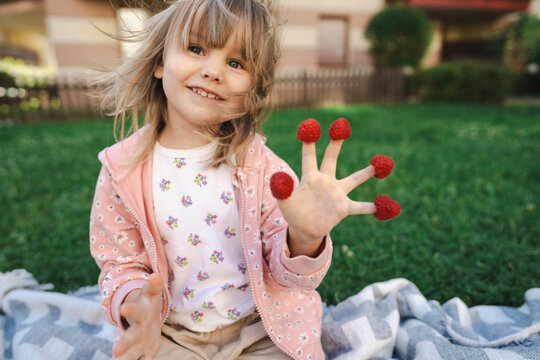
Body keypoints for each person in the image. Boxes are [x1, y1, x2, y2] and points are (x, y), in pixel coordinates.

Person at [89, 0, 387, 359]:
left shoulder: (262, 168)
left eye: (235, 63)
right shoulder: (121, 170)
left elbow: (292, 276)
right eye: (196, 48)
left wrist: (305, 238)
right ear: (159, 62)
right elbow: (119, 263)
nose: (214, 71)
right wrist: (139, 304)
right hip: (172, 332)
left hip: (263, 327)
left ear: (251, 95)